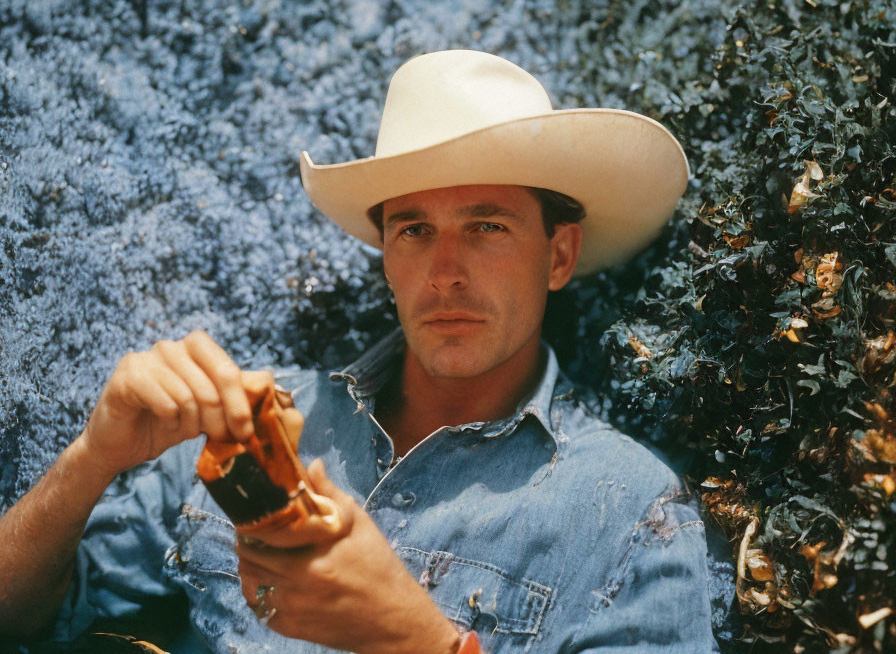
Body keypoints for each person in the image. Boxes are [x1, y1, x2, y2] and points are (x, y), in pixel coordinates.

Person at [0, 50, 717, 653]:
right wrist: (91, 457)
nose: (445, 271)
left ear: (558, 256)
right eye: (413, 231)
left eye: (488, 227)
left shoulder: (632, 516)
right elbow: (22, 618)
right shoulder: (253, 418)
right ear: (384, 259)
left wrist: (414, 640)